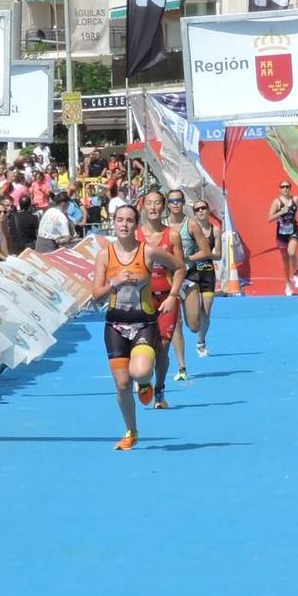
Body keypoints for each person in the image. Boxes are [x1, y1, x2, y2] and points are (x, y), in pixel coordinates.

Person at [91, 201, 184, 450]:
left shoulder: (149, 252)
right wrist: (114, 282)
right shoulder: (104, 255)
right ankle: (131, 431)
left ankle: (145, 383)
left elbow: (179, 267)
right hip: (115, 326)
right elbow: (96, 295)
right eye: (120, 220)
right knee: (122, 385)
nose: (124, 224)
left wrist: (173, 296)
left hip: (144, 323)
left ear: (136, 224)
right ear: (114, 223)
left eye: (129, 220)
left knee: (141, 372)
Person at [139, 188, 184, 396]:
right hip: (142, 300)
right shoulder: (135, 235)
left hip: (166, 298)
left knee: (163, 346)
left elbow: (179, 268)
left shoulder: (172, 235)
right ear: (144, 206)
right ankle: (143, 378)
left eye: (158, 203)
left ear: (163, 206)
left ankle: (159, 388)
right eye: (149, 203)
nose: (153, 207)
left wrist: (174, 295)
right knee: (144, 345)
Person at [178, 196, 220, 360]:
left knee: (206, 312)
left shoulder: (214, 229)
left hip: (207, 272)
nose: (201, 211)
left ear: (208, 210)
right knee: (193, 320)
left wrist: (203, 254)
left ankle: (201, 342)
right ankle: (191, 321)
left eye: (204, 208)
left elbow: (218, 254)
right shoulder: (190, 229)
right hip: (192, 273)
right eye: (198, 209)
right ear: (194, 213)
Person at [266, 180, 298, 296]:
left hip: (293, 230)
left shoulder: (295, 199)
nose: (285, 189)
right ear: (280, 189)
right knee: (285, 260)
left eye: (287, 187)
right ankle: (287, 283)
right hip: (281, 233)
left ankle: (296, 274)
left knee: (291, 252)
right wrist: (281, 212)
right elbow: (269, 218)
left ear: (290, 188)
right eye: (283, 187)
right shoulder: (277, 202)